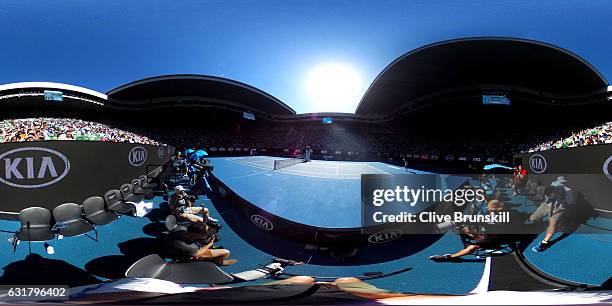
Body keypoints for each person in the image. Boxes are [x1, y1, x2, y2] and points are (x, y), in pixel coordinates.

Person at [429, 200, 506, 261]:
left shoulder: (499, 218)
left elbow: (491, 226)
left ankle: (450, 256)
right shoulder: (499, 215)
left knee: (465, 233)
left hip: (489, 238)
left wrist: (480, 224)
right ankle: (460, 249)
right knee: (465, 230)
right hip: (487, 235)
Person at [528, 176, 572, 252]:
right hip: (546, 205)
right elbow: (546, 195)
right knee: (532, 218)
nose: (562, 184)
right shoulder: (552, 186)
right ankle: (557, 225)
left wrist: (564, 195)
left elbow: (569, 202)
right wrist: (550, 195)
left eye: (563, 182)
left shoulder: (568, 190)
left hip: (558, 208)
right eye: (560, 182)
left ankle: (544, 243)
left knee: (552, 224)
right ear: (557, 181)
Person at [163, 222, 235, 265]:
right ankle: (215, 262)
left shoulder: (181, 228)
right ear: (197, 235)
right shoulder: (190, 247)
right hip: (182, 256)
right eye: (205, 234)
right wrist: (210, 244)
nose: (207, 234)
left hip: (170, 246)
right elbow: (197, 253)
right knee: (226, 252)